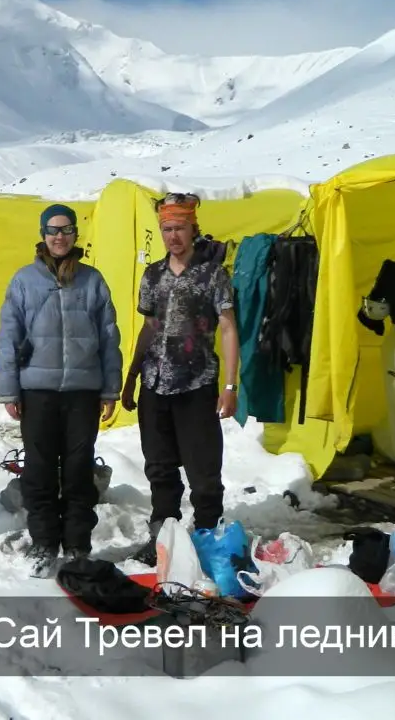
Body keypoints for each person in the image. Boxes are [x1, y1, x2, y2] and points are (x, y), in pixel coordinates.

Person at [0, 203, 122, 578]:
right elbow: (8, 338)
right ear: (42, 234)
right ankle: (45, 544)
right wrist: (9, 390)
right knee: (40, 471)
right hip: (37, 391)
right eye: (52, 230)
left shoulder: (92, 280)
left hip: (83, 390)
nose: (59, 236)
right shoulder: (24, 281)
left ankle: (78, 545)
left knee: (80, 470)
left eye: (66, 229)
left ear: (75, 234)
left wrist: (110, 389)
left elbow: (109, 338)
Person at [121, 192, 239, 566]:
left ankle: (206, 538)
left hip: (196, 383)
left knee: (203, 469)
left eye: (180, 228)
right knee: (159, 467)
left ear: (193, 228)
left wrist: (231, 386)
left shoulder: (212, 274)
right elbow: (148, 326)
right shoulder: (152, 274)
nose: (173, 236)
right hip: (155, 384)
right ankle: (163, 538)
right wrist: (132, 374)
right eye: (167, 228)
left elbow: (228, 328)